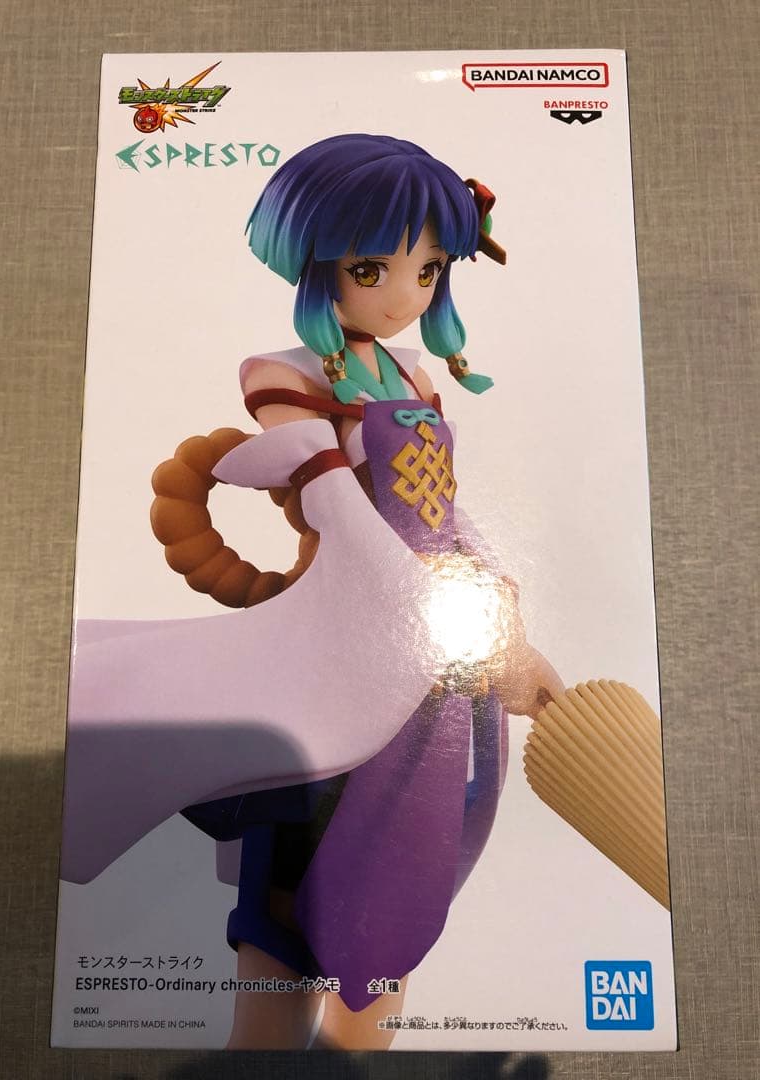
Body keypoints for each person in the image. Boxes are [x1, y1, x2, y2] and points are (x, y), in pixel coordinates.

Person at [62, 133, 562, 1051]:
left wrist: (505, 625)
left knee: (401, 887)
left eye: (428, 269)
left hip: (427, 647)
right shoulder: (283, 373)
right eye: (374, 268)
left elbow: (446, 515)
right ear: (316, 258)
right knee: (290, 898)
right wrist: (436, 617)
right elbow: (339, 508)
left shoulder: (412, 375)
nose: (405, 294)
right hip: (346, 639)